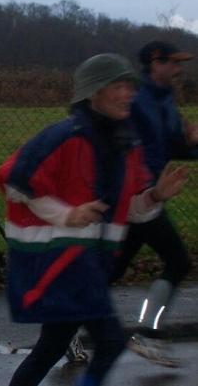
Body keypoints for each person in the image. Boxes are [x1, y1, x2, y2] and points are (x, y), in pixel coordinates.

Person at [0, 53, 188, 386]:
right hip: (63, 262)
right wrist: (69, 214)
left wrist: (154, 196)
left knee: (51, 347)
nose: (128, 94)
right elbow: (14, 182)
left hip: (89, 264)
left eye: (130, 86)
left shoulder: (126, 145)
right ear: (93, 92)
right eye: (118, 86)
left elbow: (130, 210)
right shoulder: (63, 136)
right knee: (109, 341)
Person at [109, 40, 198, 367]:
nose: (178, 69)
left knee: (111, 270)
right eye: (173, 63)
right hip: (136, 196)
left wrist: (192, 144)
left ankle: (66, 328)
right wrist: (145, 190)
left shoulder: (164, 99)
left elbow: (170, 144)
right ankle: (148, 333)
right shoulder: (138, 100)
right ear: (154, 63)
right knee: (177, 261)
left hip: (149, 197)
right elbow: (126, 147)